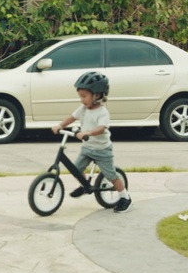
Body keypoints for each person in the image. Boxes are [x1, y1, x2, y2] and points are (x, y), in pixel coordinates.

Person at [51, 71, 132, 213]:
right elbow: (72, 117)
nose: (82, 100)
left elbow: (101, 128)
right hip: (87, 148)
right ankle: (84, 186)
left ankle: (125, 197)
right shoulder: (83, 109)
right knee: (76, 169)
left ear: (97, 95)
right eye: (80, 96)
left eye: (84, 96)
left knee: (110, 175)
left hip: (102, 150)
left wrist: (87, 132)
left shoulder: (102, 112)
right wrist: (60, 125)